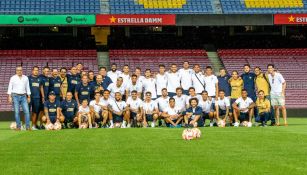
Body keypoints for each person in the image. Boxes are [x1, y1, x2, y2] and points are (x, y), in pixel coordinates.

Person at [7, 66, 31, 131]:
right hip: (15, 96)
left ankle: (28, 126)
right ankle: (18, 127)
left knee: (27, 111)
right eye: (18, 70)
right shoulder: (13, 78)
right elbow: (10, 87)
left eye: (20, 70)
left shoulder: (25, 78)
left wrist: (29, 96)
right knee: (17, 112)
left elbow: (27, 87)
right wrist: (9, 96)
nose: (19, 71)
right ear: (16, 71)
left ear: (22, 71)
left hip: (23, 96)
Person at [28, 66, 41, 130]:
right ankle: (24, 125)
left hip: (37, 98)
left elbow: (41, 87)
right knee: (26, 112)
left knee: (35, 112)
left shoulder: (39, 79)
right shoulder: (28, 78)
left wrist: (43, 96)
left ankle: (33, 126)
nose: (36, 71)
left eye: (37, 70)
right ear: (32, 71)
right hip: (29, 97)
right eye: (35, 70)